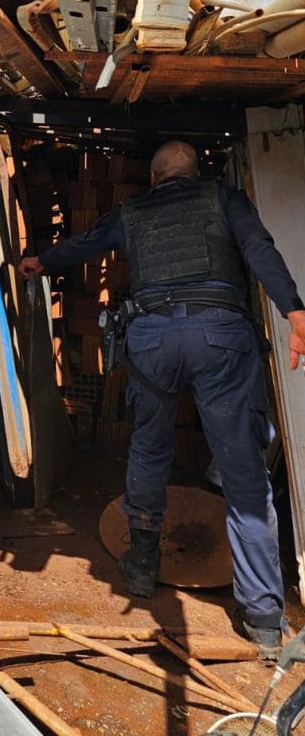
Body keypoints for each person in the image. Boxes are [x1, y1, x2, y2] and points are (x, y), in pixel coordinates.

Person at [19, 140, 305, 653]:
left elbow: (84, 243)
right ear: (196, 173)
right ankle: (263, 618)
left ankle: (141, 566)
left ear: (153, 177)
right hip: (220, 336)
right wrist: (294, 309)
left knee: (149, 448)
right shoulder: (224, 199)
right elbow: (259, 249)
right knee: (243, 470)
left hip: (151, 339)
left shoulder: (132, 212)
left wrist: (40, 261)